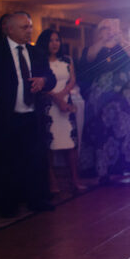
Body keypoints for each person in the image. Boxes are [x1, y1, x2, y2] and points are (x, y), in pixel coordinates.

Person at [0, 12, 56, 217]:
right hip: (5, 115)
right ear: (9, 29)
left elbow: (51, 77)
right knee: (5, 162)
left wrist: (43, 81)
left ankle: (36, 200)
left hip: (31, 115)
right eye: (24, 27)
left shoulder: (36, 52)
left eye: (30, 26)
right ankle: (7, 204)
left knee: (35, 159)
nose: (29, 31)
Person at [78, 19, 130, 185]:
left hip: (125, 95)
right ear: (100, 31)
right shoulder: (93, 48)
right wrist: (103, 41)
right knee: (104, 133)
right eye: (106, 29)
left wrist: (121, 39)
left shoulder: (123, 45)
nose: (110, 32)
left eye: (112, 29)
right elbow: (89, 58)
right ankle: (104, 172)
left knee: (128, 131)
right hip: (102, 96)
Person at [34, 29, 83, 193]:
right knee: (50, 144)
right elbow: (39, 84)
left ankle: (74, 180)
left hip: (65, 103)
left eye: (57, 40)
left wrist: (63, 95)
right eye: (50, 41)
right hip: (49, 105)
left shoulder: (67, 59)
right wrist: (55, 97)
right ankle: (52, 181)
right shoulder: (40, 61)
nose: (55, 44)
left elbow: (72, 79)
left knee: (71, 143)